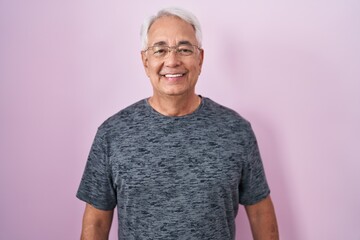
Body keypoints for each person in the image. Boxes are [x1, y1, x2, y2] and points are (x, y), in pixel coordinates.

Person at [77, 7, 279, 240]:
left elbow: (260, 213)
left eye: (184, 49)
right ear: (145, 61)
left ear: (200, 59)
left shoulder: (236, 130)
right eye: (160, 50)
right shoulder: (112, 134)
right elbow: (97, 223)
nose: (172, 61)